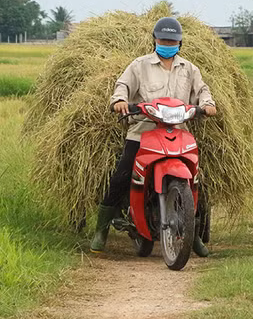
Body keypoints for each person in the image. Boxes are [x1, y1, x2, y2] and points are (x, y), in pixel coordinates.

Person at [90, 16, 217, 255]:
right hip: (143, 132)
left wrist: (207, 104)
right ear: (154, 40)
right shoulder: (139, 65)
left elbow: (202, 91)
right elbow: (122, 86)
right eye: (163, 40)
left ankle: (193, 232)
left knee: (197, 179)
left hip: (178, 133)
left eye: (172, 41)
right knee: (121, 175)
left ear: (180, 43)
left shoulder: (189, 69)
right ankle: (102, 229)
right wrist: (119, 101)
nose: (167, 44)